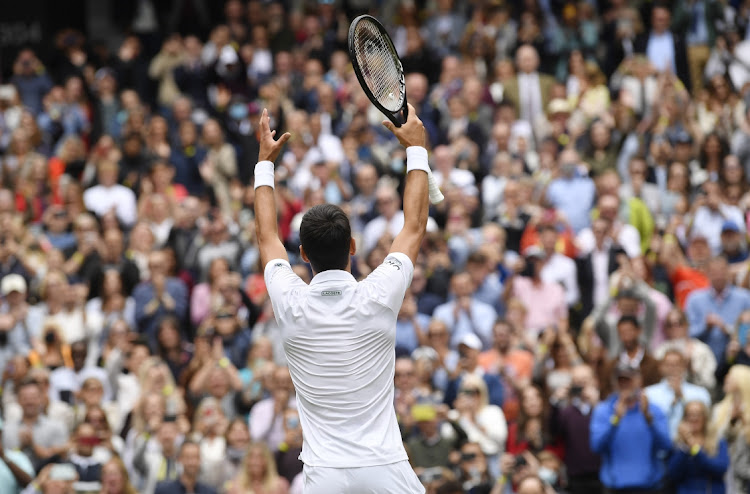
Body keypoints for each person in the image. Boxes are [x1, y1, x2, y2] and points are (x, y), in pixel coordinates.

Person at [255, 105, 428, 492]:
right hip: (384, 468)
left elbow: (267, 237)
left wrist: (264, 164)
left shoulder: (290, 300)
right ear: (352, 246)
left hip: (324, 475)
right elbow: (414, 226)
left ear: (302, 254)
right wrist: (416, 149)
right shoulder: (379, 293)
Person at [590, 361, 671, 492]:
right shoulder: (604, 410)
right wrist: (615, 420)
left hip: (649, 486)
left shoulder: (653, 410)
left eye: (629, 380)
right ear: (614, 383)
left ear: (639, 381)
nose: (625, 385)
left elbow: (666, 445)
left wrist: (650, 420)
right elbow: (596, 446)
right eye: (621, 381)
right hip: (615, 487)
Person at [667, 401, 729, 494]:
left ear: (705, 417)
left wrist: (695, 449)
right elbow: (673, 474)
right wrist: (685, 447)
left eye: (698, 414)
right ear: (685, 418)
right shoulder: (678, 444)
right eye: (690, 414)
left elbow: (720, 469)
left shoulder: (718, 441)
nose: (693, 418)